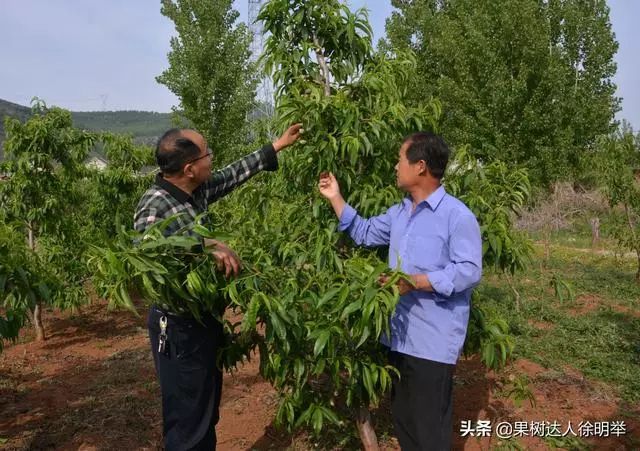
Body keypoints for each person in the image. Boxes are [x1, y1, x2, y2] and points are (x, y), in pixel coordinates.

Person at [133, 123, 302, 450]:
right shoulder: (155, 204)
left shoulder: (193, 190)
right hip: (179, 327)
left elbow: (229, 175)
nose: (213, 159)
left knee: (205, 410)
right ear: (189, 168)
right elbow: (147, 256)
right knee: (187, 420)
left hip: (202, 321)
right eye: (207, 154)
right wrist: (202, 244)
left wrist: (276, 146)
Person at [318, 132, 482, 451]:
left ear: (420, 166)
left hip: (432, 342)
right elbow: (363, 232)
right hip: (398, 338)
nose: (395, 166)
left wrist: (415, 282)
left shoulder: (456, 215)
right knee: (405, 423)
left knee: (429, 432)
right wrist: (335, 196)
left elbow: (468, 271)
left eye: (399, 159)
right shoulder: (399, 213)